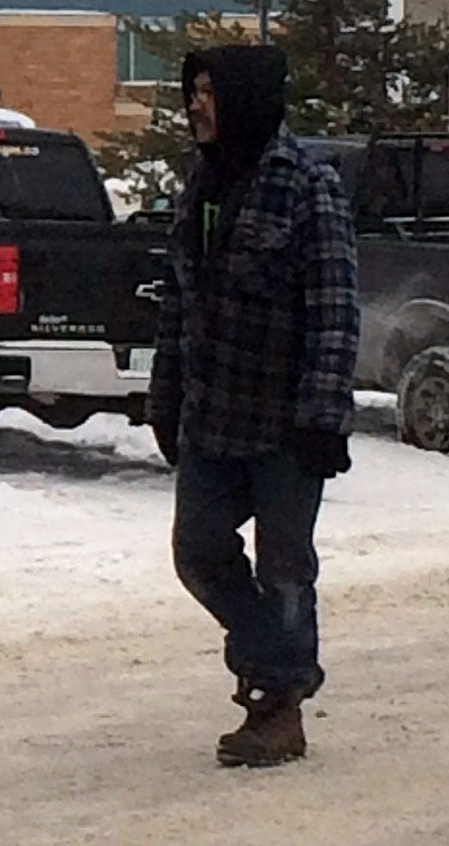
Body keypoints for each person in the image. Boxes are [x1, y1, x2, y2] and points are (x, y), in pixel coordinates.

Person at [148, 45, 359, 769]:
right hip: (211, 414)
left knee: (285, 567)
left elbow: (335, 305)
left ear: (242, 96)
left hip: (286, 421)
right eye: (192, 91)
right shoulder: (201, 185)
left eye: (207, 91)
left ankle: (279, 709)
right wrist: (165, 391)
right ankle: (275, 663)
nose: (195, 104)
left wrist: (321, 416)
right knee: (198, 551)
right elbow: (179, 299)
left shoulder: (306, 184)